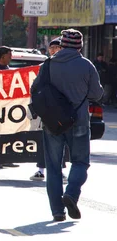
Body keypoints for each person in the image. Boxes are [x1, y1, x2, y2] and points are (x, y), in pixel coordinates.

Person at [31, 29, 103, 222]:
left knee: (53, 167)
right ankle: (71, 194)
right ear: (79, 45)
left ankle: (57, 211)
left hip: (52, 123)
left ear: (62, 44)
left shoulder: (48, 64)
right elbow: (97, 94)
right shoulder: (86, 65)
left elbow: (35, 90)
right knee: (80, 162)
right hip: (78, 121)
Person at [31, 37, 69, 182]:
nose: (53, 50)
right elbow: (36, 86)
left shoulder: (68, 65)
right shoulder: (46, 65)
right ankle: (41, 170)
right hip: (49, 109)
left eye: (57, 47)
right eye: (51, 48)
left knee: (62, 141)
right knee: (46, 141)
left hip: (64, 109)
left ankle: (60, 171)